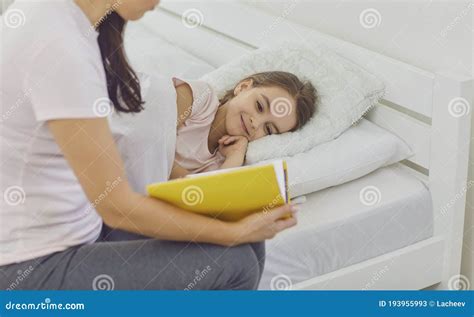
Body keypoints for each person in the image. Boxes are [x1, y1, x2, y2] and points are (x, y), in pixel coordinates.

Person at [0, 0, 298, 290]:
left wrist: (237, 229)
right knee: (236, 262)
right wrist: (230, 233)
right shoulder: (61, 44)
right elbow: (116, 206)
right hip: (27, 268)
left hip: (78, 230)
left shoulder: (74, 25)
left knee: (250, 244)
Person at [169, 72, 317, 178]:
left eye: (268, 129)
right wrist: (188, 182)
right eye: (259, 106)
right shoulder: (201, 97)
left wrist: (235, 157)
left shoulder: (221, 160)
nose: (256, 123)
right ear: (243, 87)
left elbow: (210, 196)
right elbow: (150, 140)